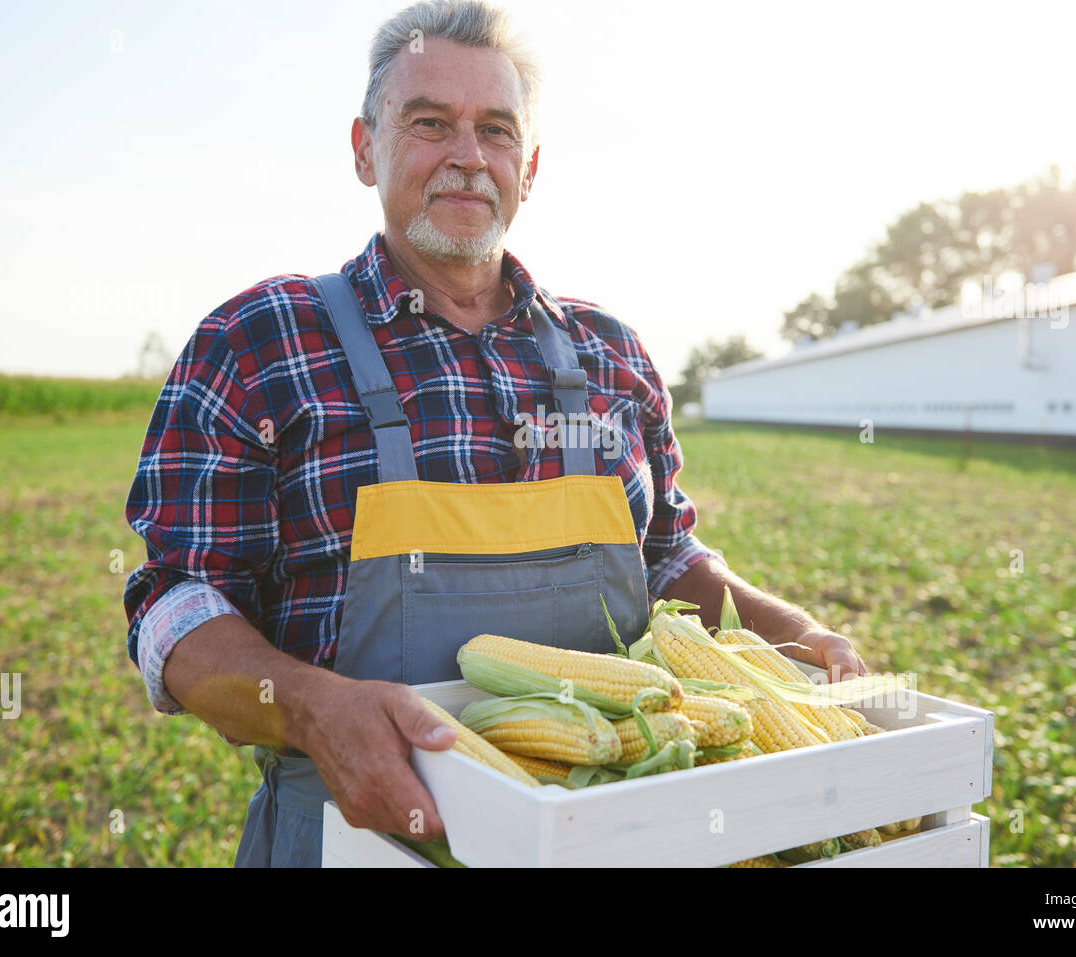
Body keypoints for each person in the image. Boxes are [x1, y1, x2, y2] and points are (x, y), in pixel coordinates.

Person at [122, 0, 866, 868]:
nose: (469, 157)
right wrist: (312, 706)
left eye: (497, 131)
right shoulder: (259, 341)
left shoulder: (610, 353)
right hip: (352, 836)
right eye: (430, 123)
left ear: (531, 165)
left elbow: (667, 555)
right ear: (365, 147)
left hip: (609, 835)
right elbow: (178, 603)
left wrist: (789, 633)